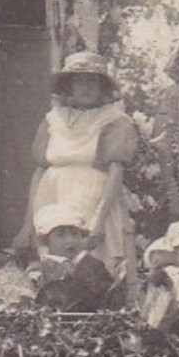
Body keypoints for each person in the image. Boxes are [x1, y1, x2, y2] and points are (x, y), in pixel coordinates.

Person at [17, 51, 141, 293]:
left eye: (92, 81)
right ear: (69, 84)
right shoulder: (53, 119)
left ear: (102, 86)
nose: (85, 87)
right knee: (52, 268)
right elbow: (40, 170)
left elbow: (116, 172)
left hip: (94, 198)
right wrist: (27, 223)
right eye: (79, 80)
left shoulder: (115, 120)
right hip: (52, 196)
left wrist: (97, 222)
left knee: (92, 264)